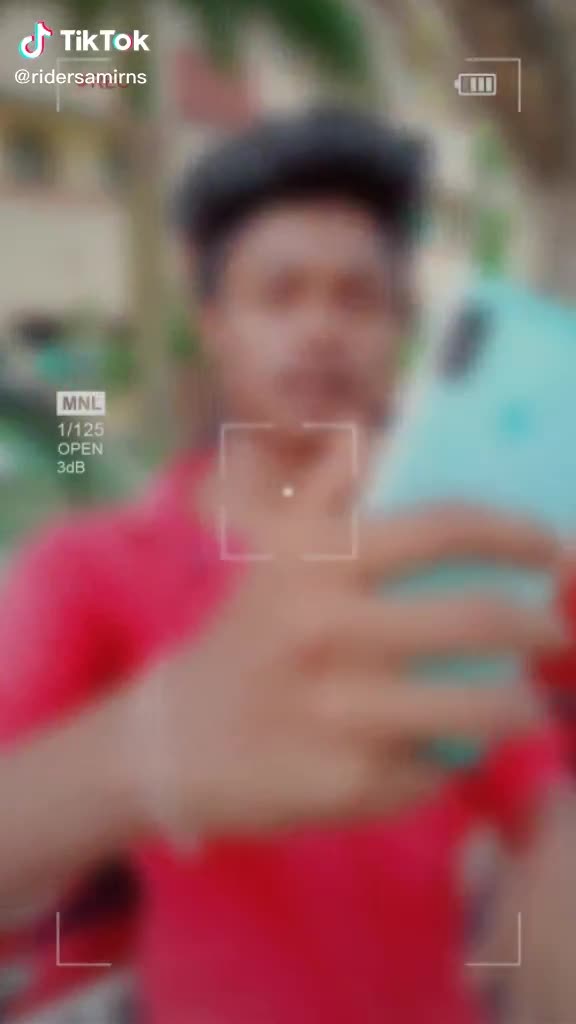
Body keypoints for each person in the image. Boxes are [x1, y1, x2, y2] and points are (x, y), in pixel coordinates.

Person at [0, 107, 574, 1024]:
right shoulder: (90, 570)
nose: (321, 330)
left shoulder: (446, 558)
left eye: (359, 299)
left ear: (401, 332)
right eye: (280, 294)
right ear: (214, 323)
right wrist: (148, 750)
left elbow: (533, 793)